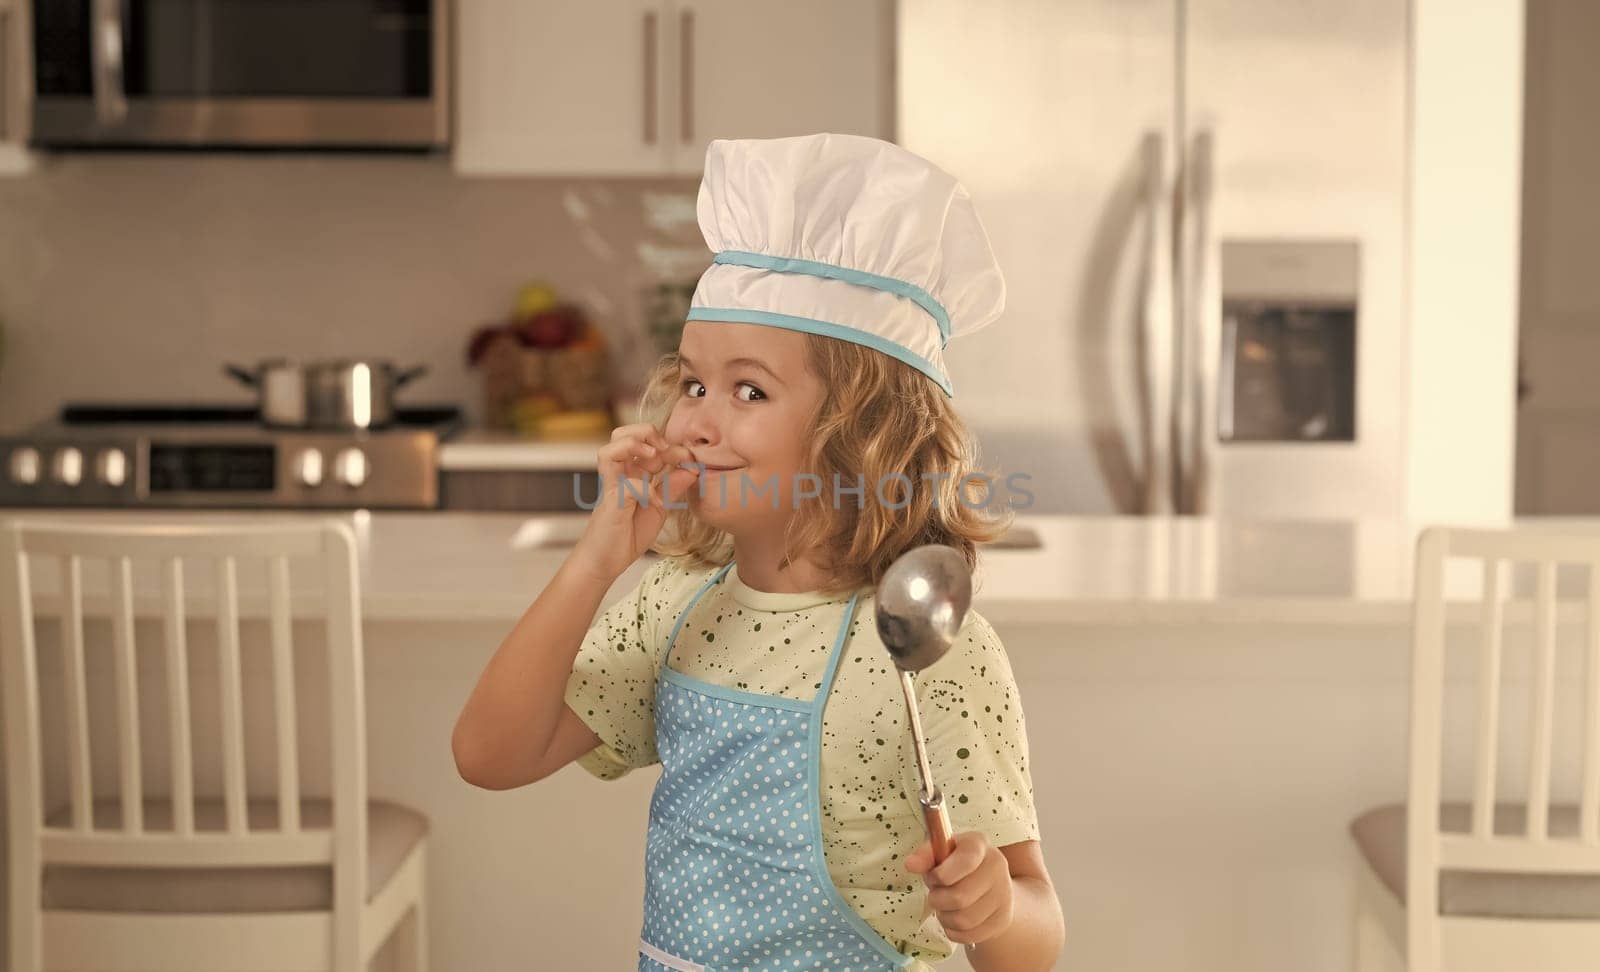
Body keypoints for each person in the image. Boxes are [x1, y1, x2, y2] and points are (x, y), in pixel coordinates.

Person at [453, 133, 1064, 971]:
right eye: (694, 384)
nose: (697, 419)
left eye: (749, 390)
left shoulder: (935, 653)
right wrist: (597, 563)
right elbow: (489, 757)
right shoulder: (673, 606)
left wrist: (994, 906)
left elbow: (1031, 942)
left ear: (862, 436)